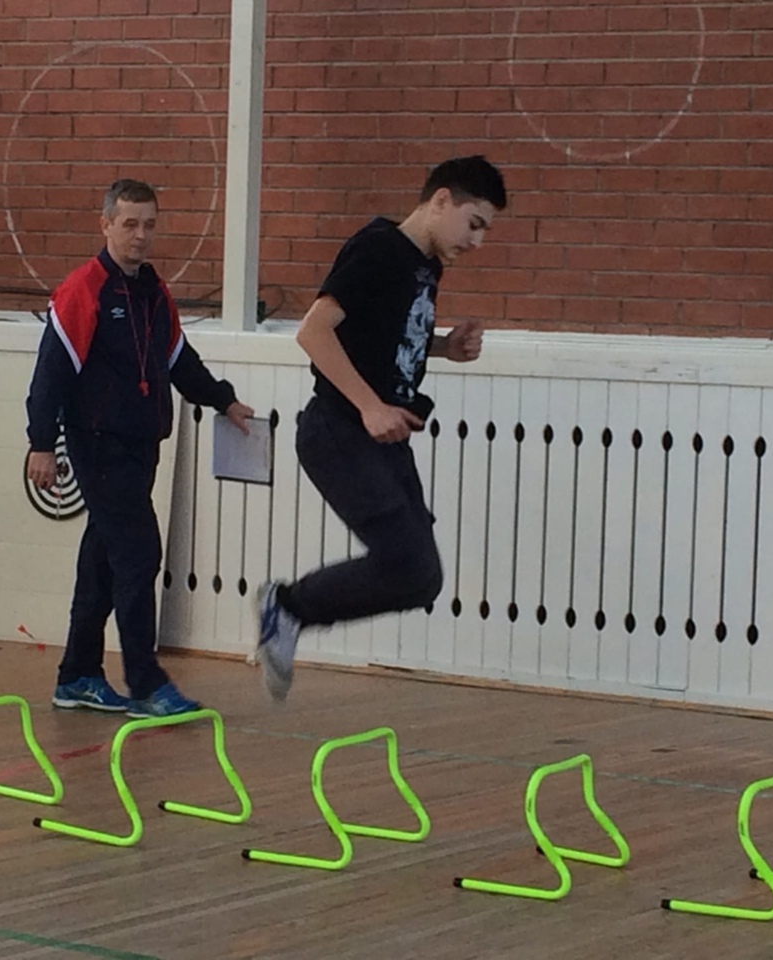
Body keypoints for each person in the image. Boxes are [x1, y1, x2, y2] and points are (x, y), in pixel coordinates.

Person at [254, 155, 507, 700]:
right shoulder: (377, 249)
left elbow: (381, 335)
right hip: (339, 431)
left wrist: (443, 347)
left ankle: (292, 610)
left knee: (423, 578)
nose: (477, 242)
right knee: (406, 561)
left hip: (382, 438)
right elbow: (314, 332)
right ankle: (286, 606)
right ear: (441, 200)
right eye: (474, 224)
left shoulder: (425, 265)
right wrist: (370, 406)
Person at [26, 178, 253, 718]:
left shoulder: (153, 293)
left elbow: (179, 360)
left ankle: (77, 675)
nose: (140, 235)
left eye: (149, 224)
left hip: (141, 445)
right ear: (106, 224)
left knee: (102, 563)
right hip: (98, 445)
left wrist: (223, 400)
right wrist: (41, 444)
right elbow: (50, 375)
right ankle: (146, 683)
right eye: (129, 224)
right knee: (138, 552)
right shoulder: (84, 290)